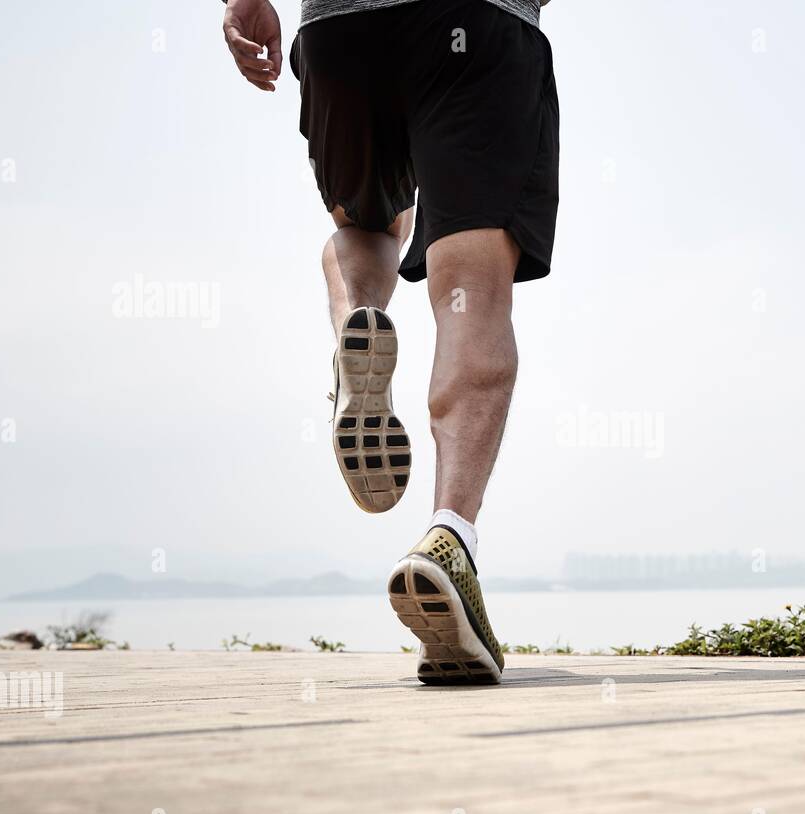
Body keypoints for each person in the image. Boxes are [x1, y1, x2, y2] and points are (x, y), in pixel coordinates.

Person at [220, 0, 559, 684]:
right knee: (472, 283)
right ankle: (449, 540)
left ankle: (355, 318)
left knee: (368, 226)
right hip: (477, 24)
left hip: (341, 33)